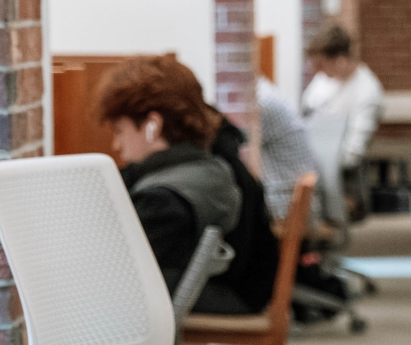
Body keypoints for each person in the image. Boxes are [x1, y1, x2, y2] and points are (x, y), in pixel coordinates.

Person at [96, 55, 277, 317]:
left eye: (119, 130)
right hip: (244, 286)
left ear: (152, 126)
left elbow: (119, 270)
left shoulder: (168, 198)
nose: (116, 145)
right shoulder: (205, 161)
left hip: (233, 294)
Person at [301, 23, 384, 173]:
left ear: (341, 60)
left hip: (339, 171)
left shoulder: (367, 91)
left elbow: (353, 151)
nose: (316, 71)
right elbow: (306, 115)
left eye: (321, 64)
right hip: (313, 161)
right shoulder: (323, 80)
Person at [257, 74, 318, 221]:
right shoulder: (269, 95)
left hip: (284, 203)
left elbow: (236, 146)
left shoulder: (263, 104)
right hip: (290, 196)